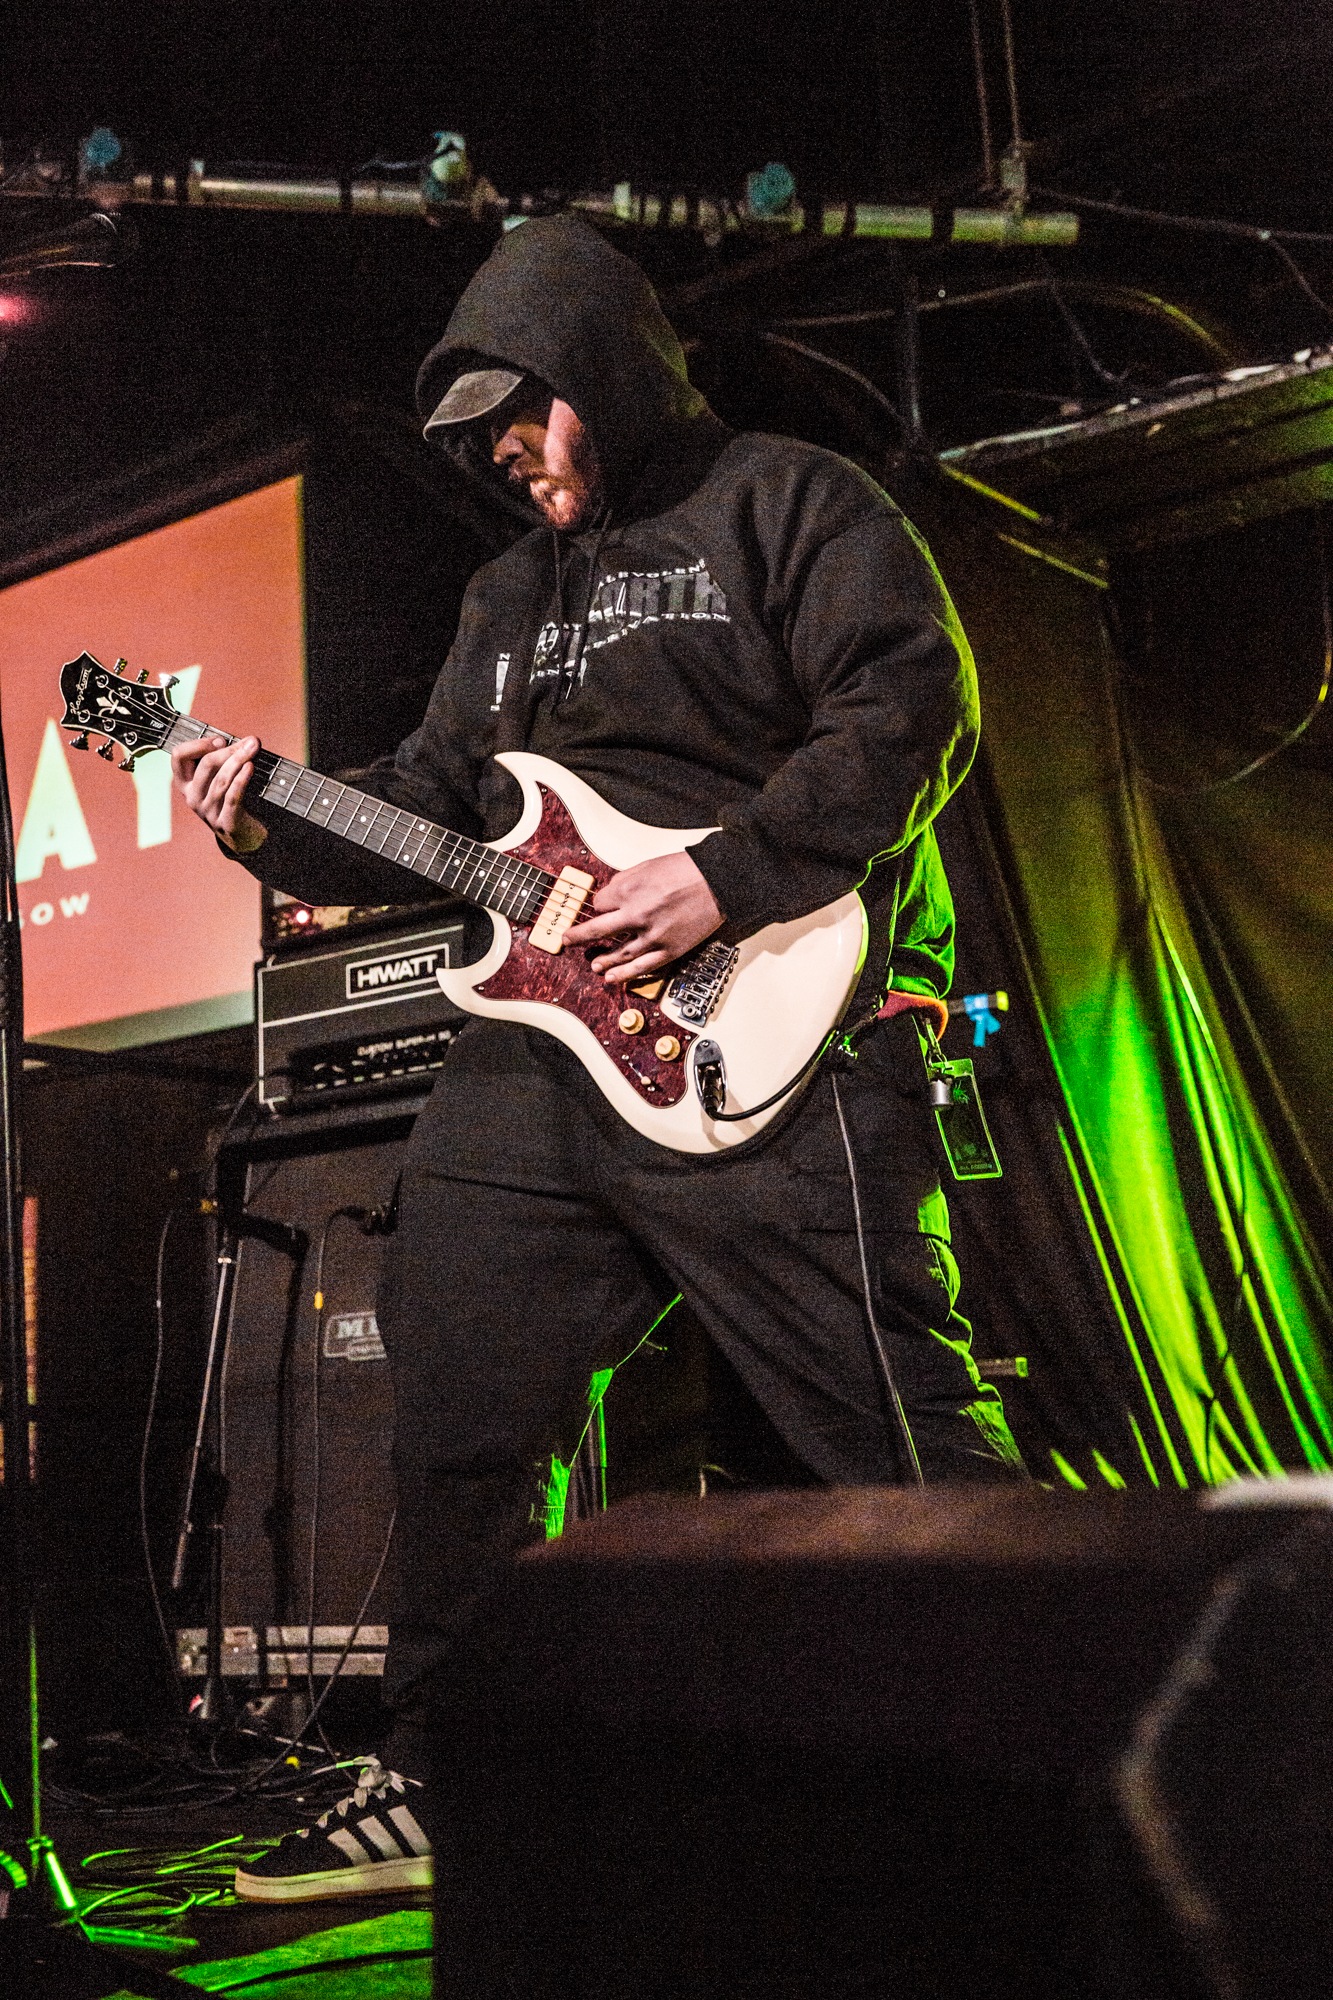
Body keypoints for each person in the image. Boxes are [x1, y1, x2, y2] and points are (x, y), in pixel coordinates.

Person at [172, 213, 1024, 1904]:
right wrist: (266, 816)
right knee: (457, 1402)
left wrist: (731, 872)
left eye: (520, 410)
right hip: (542, 1060)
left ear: (604, 369)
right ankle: (450, 1772)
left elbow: (908, 703)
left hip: (778, 1013)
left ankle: (1062, 1727)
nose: (501, 450)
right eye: (474, 434)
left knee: (886, 1413)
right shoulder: (504, 597)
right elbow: (429, 810)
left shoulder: (790, 500)